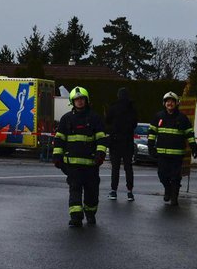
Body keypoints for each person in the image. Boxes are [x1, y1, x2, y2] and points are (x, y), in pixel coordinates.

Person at [53, 86, 108, 227]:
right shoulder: (66, 119)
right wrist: (57, 157)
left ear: (86, 100)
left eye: (81, 99)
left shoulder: (95, 118)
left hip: (91, 165)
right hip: (72, 166)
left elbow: (101, 139)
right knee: (75, 191)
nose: (79, 102)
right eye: (76, 99)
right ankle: (76, 217)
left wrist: (100, 154)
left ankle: (90, 212)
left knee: (92, 193)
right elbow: (59, 140)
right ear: (72, 101)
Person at [148, 91, 197, 206]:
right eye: (167, 101)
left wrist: (194, 147)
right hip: (162, 154)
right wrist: (151, 147)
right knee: (162, 175)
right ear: (164, 103)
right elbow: (151, 133)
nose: (170, 103)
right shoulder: (158, 117)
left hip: (177, 154)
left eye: (172, 101)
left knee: (175, 177)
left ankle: (174, 197)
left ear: (176, 103)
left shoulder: (182, 118)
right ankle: (168, 189)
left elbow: (190, 134)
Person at [105, 87, 138, 201]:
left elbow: (107, 121)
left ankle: (114, 191)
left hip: (115, 142)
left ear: (118, 96)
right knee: (128, 167)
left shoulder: (113, 108)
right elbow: (134, 124)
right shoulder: (132, 109)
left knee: (115, 168)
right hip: (128, 142)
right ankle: (130, 192)